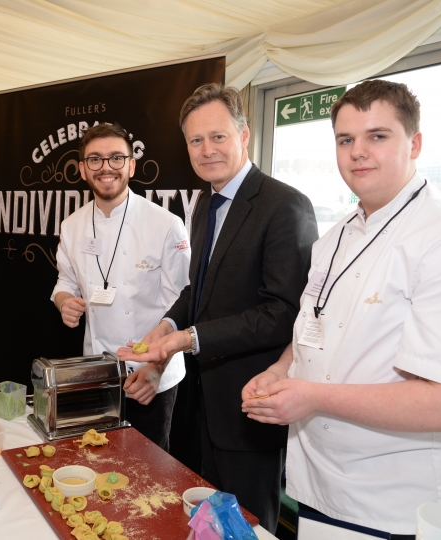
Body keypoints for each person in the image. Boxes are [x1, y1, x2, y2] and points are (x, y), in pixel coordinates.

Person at [241, 80, 441, 538]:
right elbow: (314, 325)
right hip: (321, 483)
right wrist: (280, 371)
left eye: (378, 136)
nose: (358, 152)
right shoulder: (335, 238)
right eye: (346, 140)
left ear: (416, 143)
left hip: (403, 504)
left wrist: (310, 396)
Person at [119, 83, 318, 532]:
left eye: (218, 136)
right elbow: (200, 289)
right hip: (200, 401)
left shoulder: (285, 206)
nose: (206, 150)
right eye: (195, 140)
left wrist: (188, 339)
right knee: (202, 520)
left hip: (251, 403)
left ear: (244, 135)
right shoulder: (206, 202)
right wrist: (167, 323)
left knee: (246, 524)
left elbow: (284, 313)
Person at [52, 123, 191, 451]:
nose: (106, 168)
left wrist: (156, 367)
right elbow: (65, 280)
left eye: (116, 158)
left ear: (131, 165)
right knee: (97, 459)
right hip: (97, 370)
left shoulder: (165, 224)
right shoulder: (72, 225)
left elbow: (185, 302)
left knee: (148, 472)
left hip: (149, 375)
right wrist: (63, 301)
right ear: (83, 169)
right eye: (95, 160)